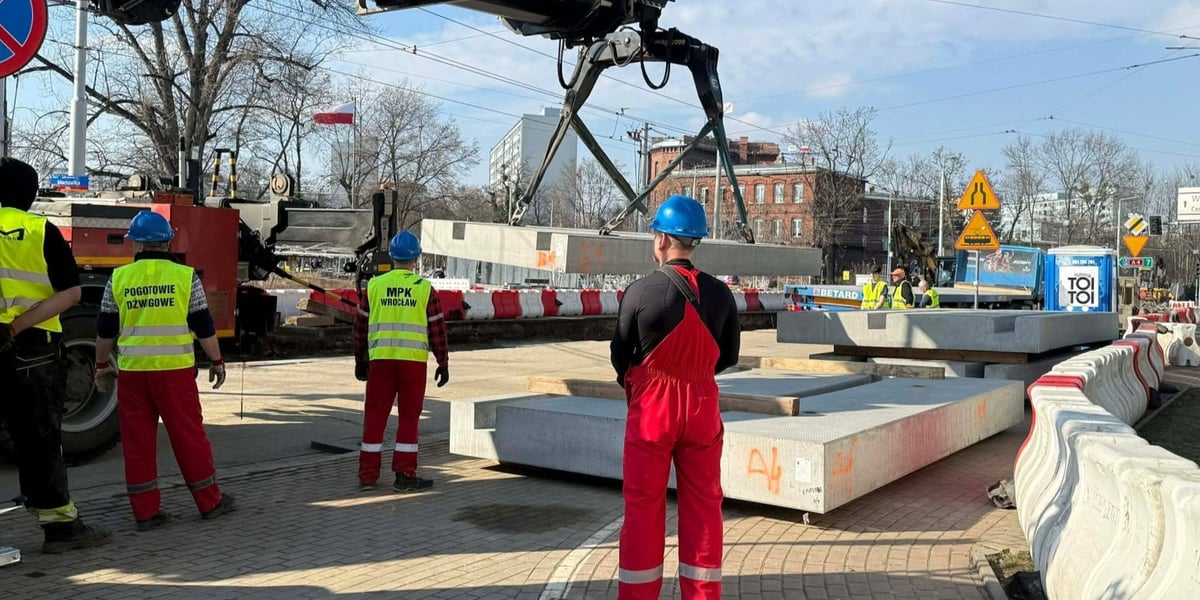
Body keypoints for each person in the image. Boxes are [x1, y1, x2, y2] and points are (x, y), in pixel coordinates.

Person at [610, 194, 740, 600]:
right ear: (694, 241)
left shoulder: (639, 292)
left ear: (663, 239)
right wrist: (695, 376)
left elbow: (619, 355)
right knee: (704, 509)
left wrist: (650, 381)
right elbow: (729, 355)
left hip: (652, 410)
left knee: (644, 508)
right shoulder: (721, 295)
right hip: (702, 406)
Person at [94, 210, 234, 530]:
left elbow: (104, 331)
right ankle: (209, 501)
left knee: (138, 442)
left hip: (133, 374)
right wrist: (216, 361)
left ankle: (145, 512)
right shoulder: (186, 278)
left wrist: (101, 366)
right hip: (174, 373)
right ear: (168, 242)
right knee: (188, 436)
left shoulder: (119, 279)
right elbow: (203, 326)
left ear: (137, 245)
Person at [0, 157, 112, 555]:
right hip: (31, 353)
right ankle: (60, 529)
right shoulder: (38, 231)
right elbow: (72, 293)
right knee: (38, 440)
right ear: (29, 195)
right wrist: (15, 326)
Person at [353, 231, 449, 492]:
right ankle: (405, 474)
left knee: (374, 416)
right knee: (408, 418)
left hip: (380, 362)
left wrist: (360, 359)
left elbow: (360, 327)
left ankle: (368, 476)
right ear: (416, 258)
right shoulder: (423, 289)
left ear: (392, 257)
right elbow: (437, 329)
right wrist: (443, 362)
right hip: (412, 364)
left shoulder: (373, 286)